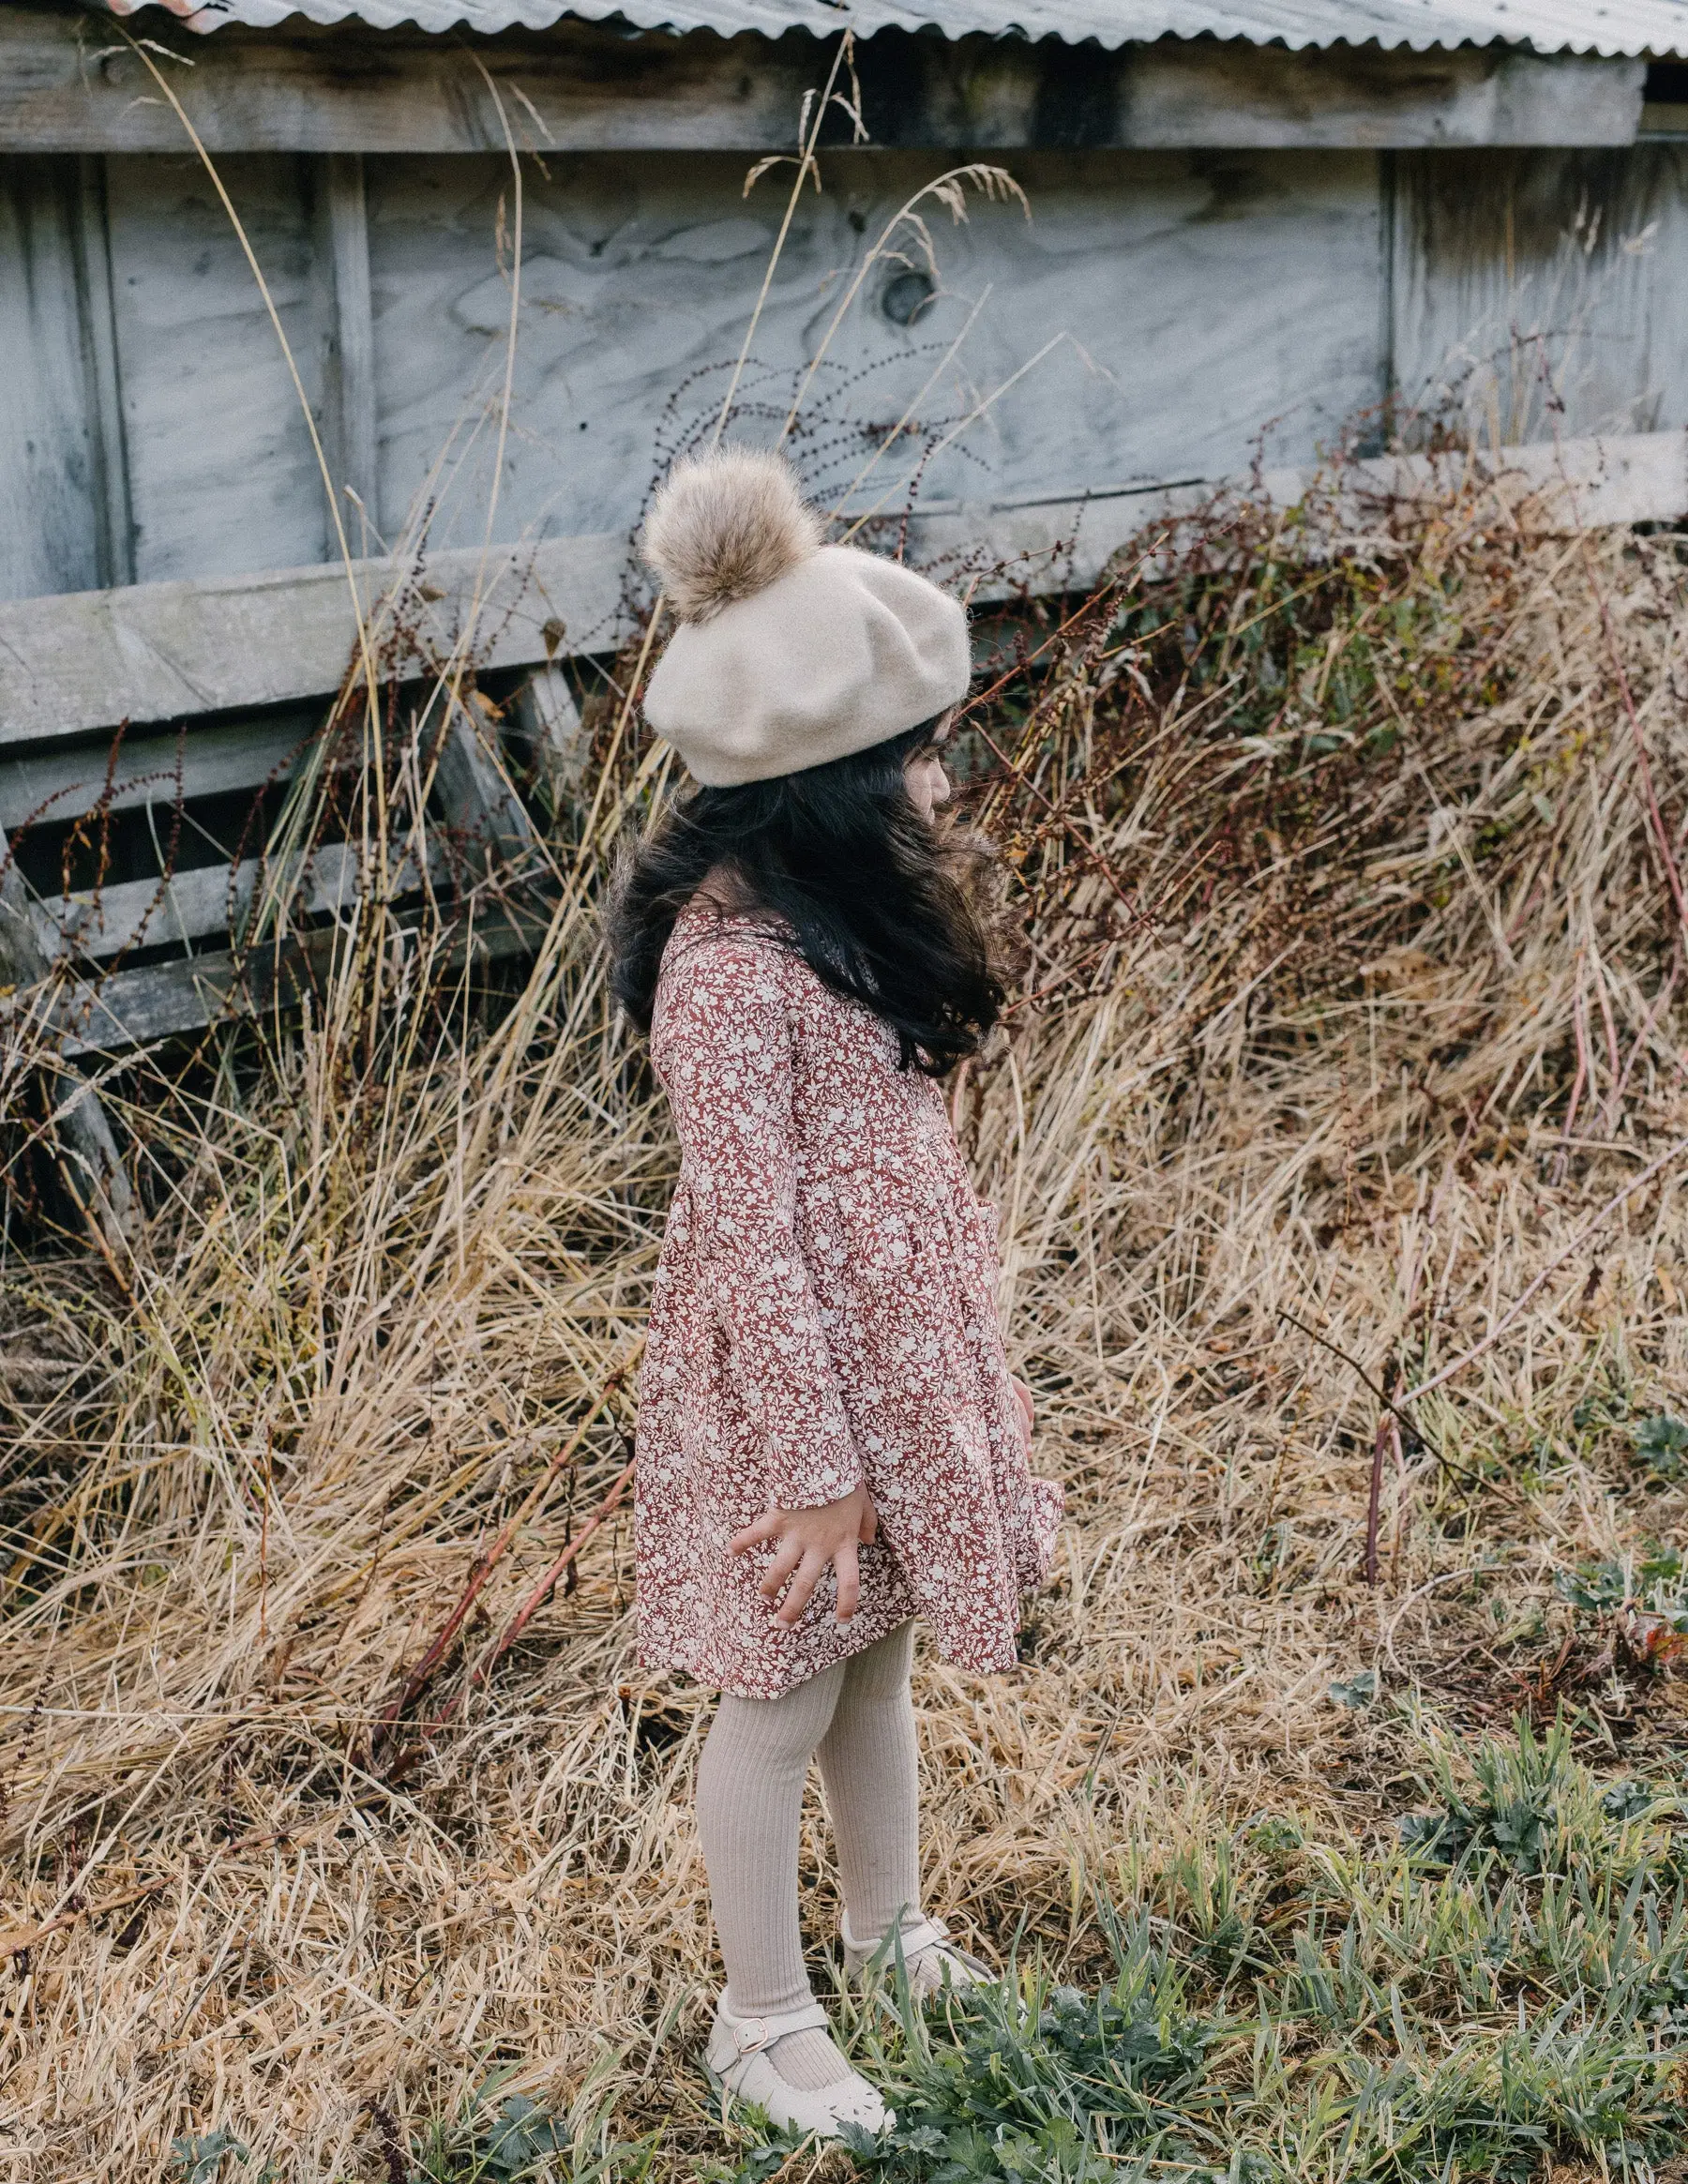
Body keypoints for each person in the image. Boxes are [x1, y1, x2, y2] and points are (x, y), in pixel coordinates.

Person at [608, 446, 1063, 2140]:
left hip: (891, 1372)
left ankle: (888, 1934)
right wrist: (815, 1468)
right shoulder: (728, 975)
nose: (943, 786)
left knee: (878, 1669)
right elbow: (755, 1237)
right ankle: (762, 2016)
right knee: (782, 1687)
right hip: (793, 1405)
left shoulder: (835, 929)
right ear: (826, 782)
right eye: (917, 761)